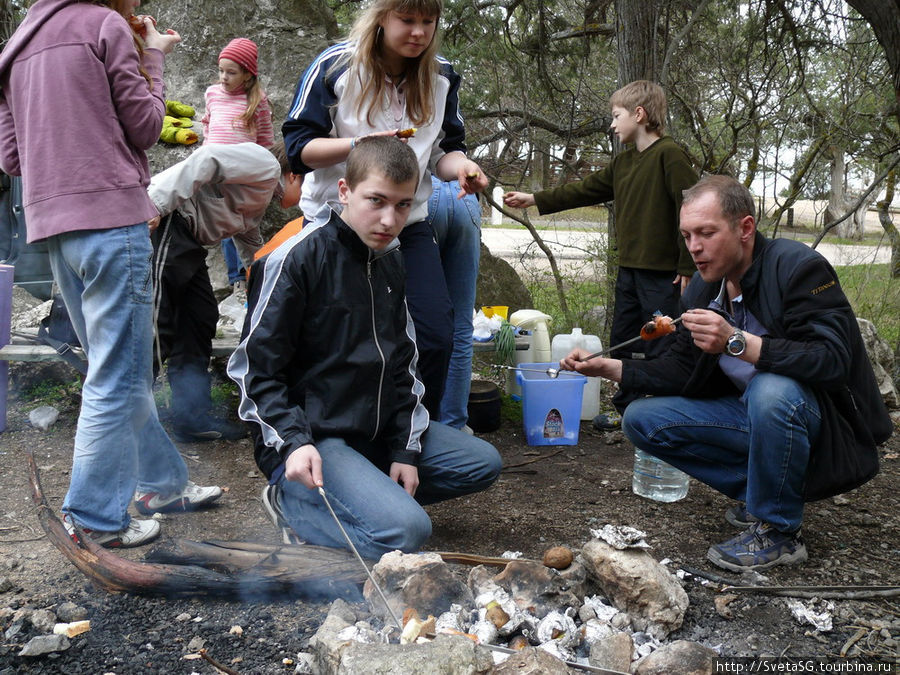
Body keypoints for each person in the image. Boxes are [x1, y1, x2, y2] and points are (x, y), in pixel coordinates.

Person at [560, 175, 892, 572]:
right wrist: (610, 367)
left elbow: (832, 359)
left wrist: (737, 342)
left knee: (771, 389)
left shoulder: (799, 268)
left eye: (706, 233)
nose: (695, 248)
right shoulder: (703, 288)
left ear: (745, 228)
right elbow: (681, 370)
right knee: (642, 420)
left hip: (829, 434)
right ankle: (765, 494)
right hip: (757, 420)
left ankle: (778, 531)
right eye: (686, 236)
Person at [0, 0, 221, 548]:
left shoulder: (15, 45)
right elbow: (147, 127)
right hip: (109, 221)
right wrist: (152, 54)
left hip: (54, 229)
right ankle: (96, 519)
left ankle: (161, 484)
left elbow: (10, 157)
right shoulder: (102, 25)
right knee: (117, 376)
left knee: (114, 368)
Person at [227, 137, 501, 558]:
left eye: (403, 205)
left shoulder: (391, 260)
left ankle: (363, 496)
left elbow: (404, 367)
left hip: (371, 434)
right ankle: (292, 503)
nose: (389, 220)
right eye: (376, 201)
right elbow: (253, 370)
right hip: (314, 439)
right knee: (408, 532)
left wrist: (404, 450)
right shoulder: (296, 258)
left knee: (481, 463)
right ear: (344, 192)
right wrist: (293, 441)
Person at [282, 0, 488, 418]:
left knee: (434, 336)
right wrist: (361, 144)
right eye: (407, 20)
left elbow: (445, 150)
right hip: (335, 223)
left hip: (406, 226)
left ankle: (411, 433)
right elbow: (298, 149)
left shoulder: (441, 76)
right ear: (381, 18)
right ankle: (322, 432)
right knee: (334, 337)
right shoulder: (335, 65)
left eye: (427, 22)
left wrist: (463, 168)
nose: (418, 32)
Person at [504, 80, 698, 429]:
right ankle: (627, 411)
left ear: (639, 114)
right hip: (629, 271)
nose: (612, 124)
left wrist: (688, 266)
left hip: (663, 275)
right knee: (622, 339)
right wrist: (535, 199)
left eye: (616, 116)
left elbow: (692, 207)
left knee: (660, 344)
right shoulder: (623, 163)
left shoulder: (670, 154)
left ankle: (665, 413)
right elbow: (585, 190)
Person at [148, 141, 287, 442]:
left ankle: (191, 417)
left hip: (191, 242)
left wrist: (261, 282)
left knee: (200, 318)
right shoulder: (266, 165)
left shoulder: (263, 193)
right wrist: (155, 204)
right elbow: (209, 157)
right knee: (156, 324)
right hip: (170, 220)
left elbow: (248, 237)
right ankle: (125, 415)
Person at [200, 37, 275, 297]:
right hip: (215, 171)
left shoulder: (258, 101)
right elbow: (208, 124)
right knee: (222, 224)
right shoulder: (212, 93)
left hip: (243, 174)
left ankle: (259, 275)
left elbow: (265, 141)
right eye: (221, 70)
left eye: (231, 72)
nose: (223, 77)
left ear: (247, 74)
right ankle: (237, 280)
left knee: (244, 225)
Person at [427, 176, 481, 430]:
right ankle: (454, 427)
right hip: (465, 196)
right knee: (461, 328)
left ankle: (421, 426)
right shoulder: (451, 143)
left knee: (414, 323)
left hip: (422, 197)